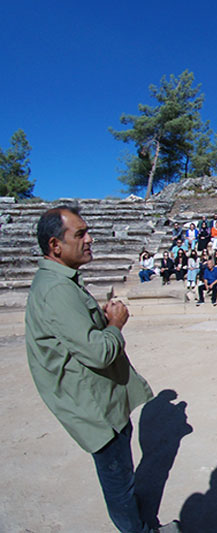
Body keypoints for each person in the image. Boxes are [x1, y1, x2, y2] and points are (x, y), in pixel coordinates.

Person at [26, 206, 180, 533]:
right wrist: (115, 324)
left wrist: (98, 319)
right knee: (119, 484)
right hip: (94, 408)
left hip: (99, 399)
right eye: (80, 234)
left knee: (120, 476)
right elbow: (98, 353)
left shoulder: (58, 282)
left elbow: (74, 335)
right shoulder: (57, 289)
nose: (89, 239)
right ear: (55, 245)